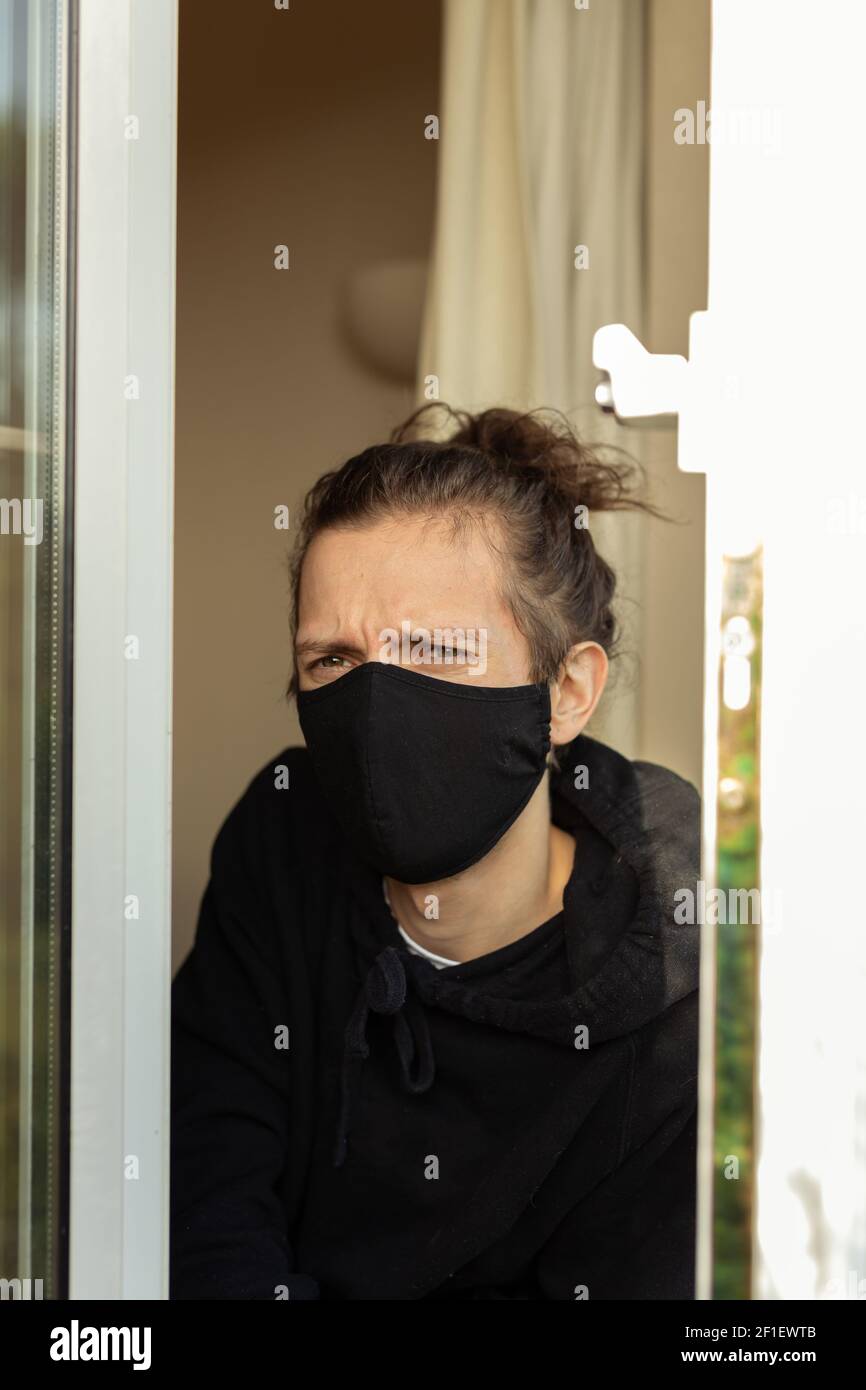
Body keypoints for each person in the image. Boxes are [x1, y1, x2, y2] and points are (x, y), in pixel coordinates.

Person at [170, 404, 701, 1301]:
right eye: (333, 661)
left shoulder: (674, 991)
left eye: (435, 651)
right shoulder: (283, 841)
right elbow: (204, 1179)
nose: (377, 704)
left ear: (566, 692)